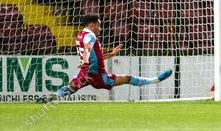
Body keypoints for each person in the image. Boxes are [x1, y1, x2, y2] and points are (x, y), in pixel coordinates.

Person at [36, 14, 172, 103]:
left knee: (70, 88)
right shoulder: (90, 36)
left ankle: (50, 98)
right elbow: (88, 46)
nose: (100, 28)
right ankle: (155, 80)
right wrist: (84, 60)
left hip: (86, 73)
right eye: (98, 25)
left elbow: (91, 52)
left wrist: (110, 55)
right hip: (98, 75)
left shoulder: (80, 35)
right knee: (128, 78)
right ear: (91, 25)